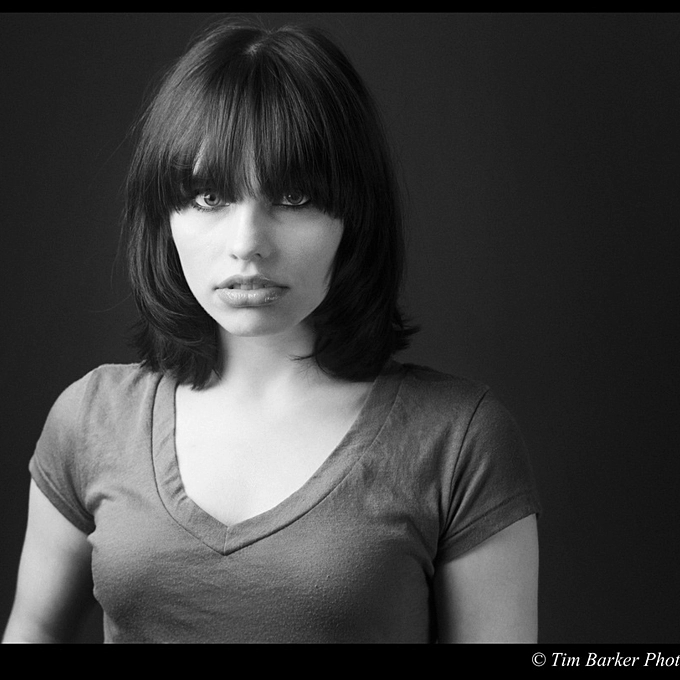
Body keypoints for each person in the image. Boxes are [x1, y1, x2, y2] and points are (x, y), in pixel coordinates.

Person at [3, 19, 540, 644]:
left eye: (293, 197)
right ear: (164, 217)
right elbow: (33, 628)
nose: (248, 244)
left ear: (354, 216)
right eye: (210, 198)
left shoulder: (459, 441)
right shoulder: (90, 419)